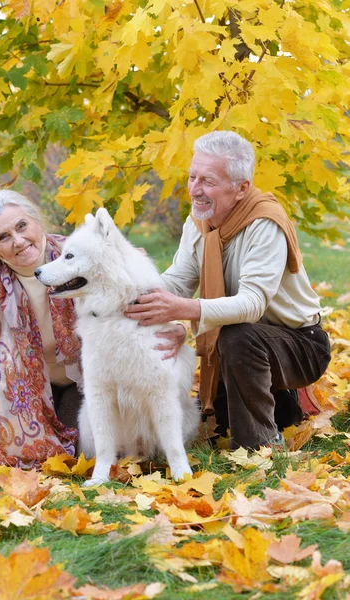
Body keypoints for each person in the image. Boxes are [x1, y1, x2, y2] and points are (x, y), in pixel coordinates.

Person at [126, 131, 331, 450]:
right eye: (192, 176)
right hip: (241, 344)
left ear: (241, 188)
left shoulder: (265, 223)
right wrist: (134, 277)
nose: (195, 189)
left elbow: (251, 305)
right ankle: (283, 405)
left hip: (301, 344)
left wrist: (184, 311)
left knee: (238, 336)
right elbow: (179, 280)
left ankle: (261, 446)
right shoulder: (199, 222)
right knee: (213, 425)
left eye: (207, 180)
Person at [0, 189, 83, 466]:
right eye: (3, 237)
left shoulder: (78, 255)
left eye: (22, 226)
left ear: (37, 221)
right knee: (41, 454)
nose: (19, 241)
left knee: (89, 445)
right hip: (33, 393)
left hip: (86, 383)